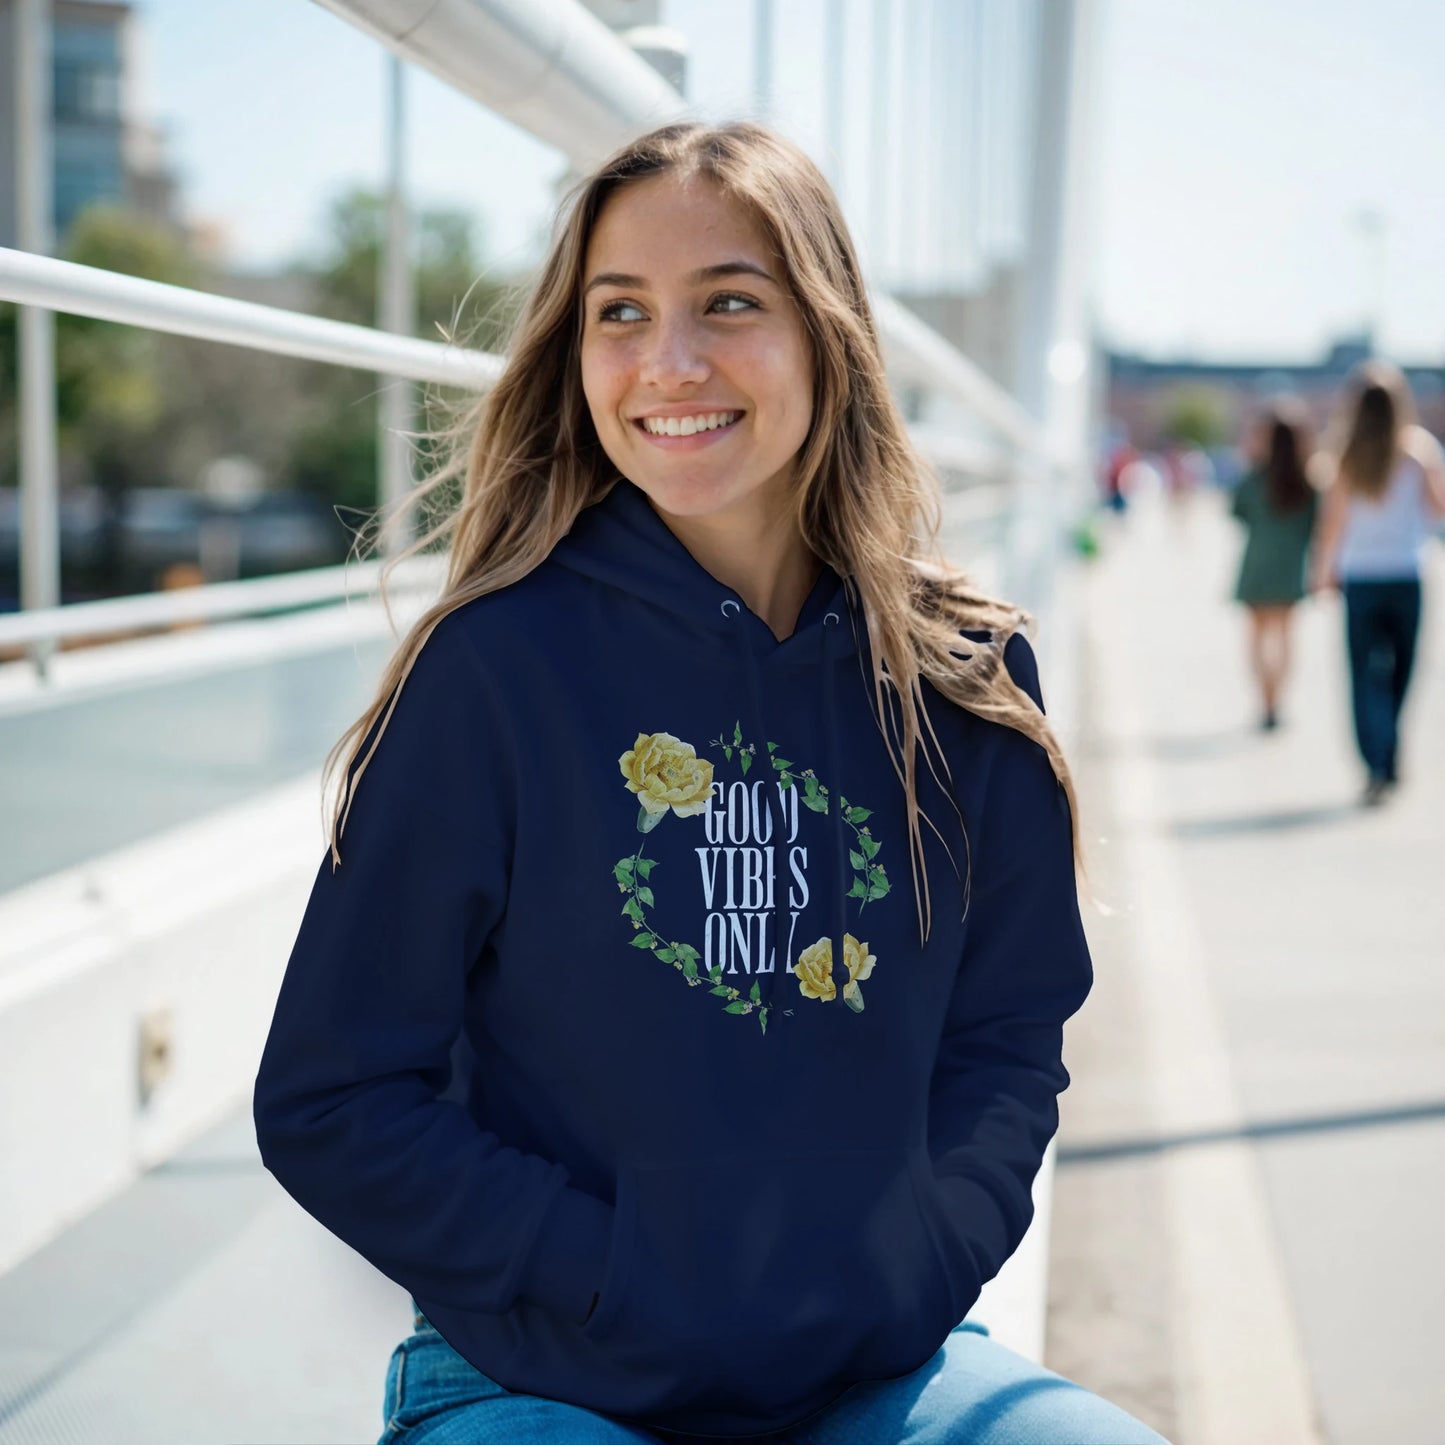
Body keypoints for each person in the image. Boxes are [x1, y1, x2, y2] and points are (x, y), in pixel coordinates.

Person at [252, 121, 1168, 1445]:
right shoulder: (497, 670)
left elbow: (1008, 1038)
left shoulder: (965, 676)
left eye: (729, 303)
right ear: (578, 356)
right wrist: (607, 1271)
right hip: (541, 1367)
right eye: (620, 313)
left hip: (875, 1357)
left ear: (826, 332)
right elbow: (331, 1096)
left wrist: (919, 1255)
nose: (668, 364)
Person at [1310, 360, 1445, 805]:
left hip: (1362, 576)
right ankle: (1388, 749)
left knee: (1364, 674)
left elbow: (1333, 524)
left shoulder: (1344, 454)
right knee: (1402, 671)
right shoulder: (1419, 451)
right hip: (1406, 573)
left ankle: (1376, 758)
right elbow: (1438, 509)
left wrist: (1322, 571)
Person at [1228, 398, 1319, 731]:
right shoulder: (1309, 483)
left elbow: (1236, 512)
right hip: (1290, 571)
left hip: (1257, 569)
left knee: (1257, 639)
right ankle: (1276, 700)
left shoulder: (1255, 479)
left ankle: (1264, 700)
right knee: (1284, 639)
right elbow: (1317, 528)